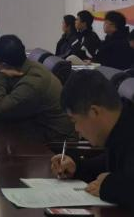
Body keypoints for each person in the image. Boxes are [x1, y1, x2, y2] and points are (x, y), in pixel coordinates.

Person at [50, 70, 134, 211]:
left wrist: (110, 186)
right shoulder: (121, 126)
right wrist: (76, 168)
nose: (76, 129)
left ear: (94, 112)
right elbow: (105, 164)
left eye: (75, 121)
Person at [0, 34, 76, 143]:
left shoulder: (32, 82)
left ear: (4, 65)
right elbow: (16, 101)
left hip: (56, 143)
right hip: (39, 131)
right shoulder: (27, 67)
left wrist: (1, 74)